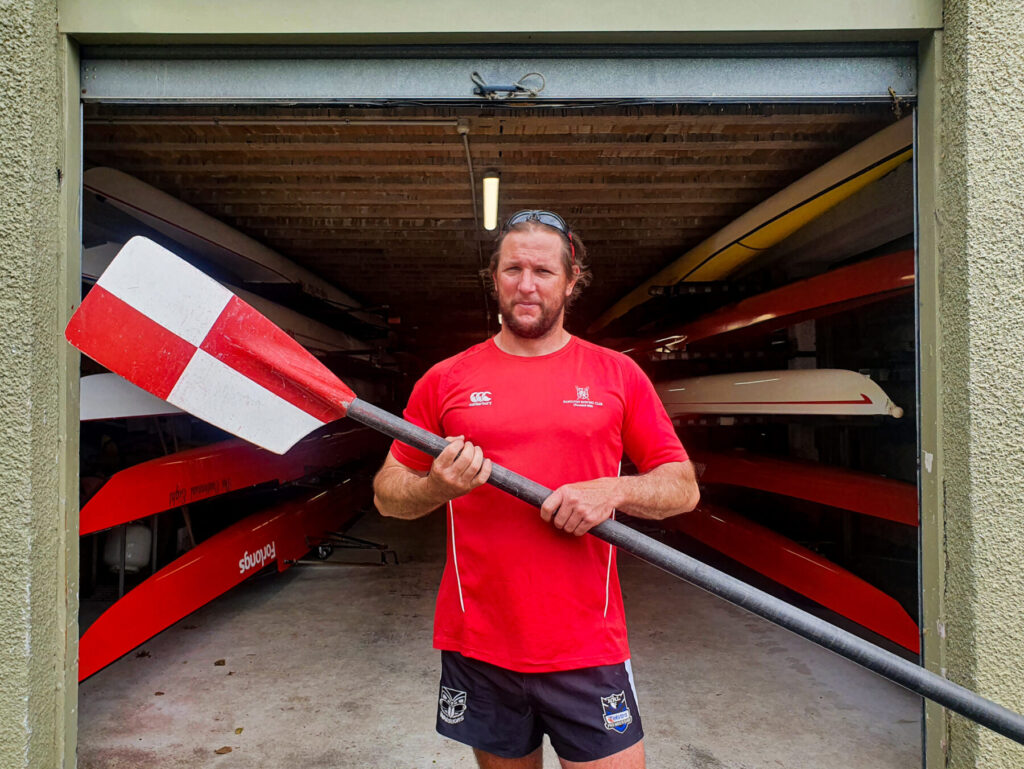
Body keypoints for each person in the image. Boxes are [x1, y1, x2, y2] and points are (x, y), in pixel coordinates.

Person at [372, 210, 699, 769]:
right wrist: (437, 486)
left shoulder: (616, 375)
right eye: (513, 269)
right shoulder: (446, 379)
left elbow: (682, 487)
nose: (527, 285)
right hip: (481, 643)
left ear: (571, 282)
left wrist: (611, 491)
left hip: (585, 646)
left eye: (543, 271)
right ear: (493, 278)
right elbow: (386, 492)